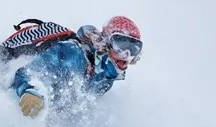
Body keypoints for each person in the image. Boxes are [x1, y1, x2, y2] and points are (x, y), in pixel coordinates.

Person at [11, 16, 143, 118]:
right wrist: (33, 90)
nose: (126, 55)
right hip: (18, 100)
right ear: (105, 41)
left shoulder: (106, 80)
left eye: (134, 49)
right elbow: (29, 73)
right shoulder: (72, 53)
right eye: (120, 45)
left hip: (42, 117)